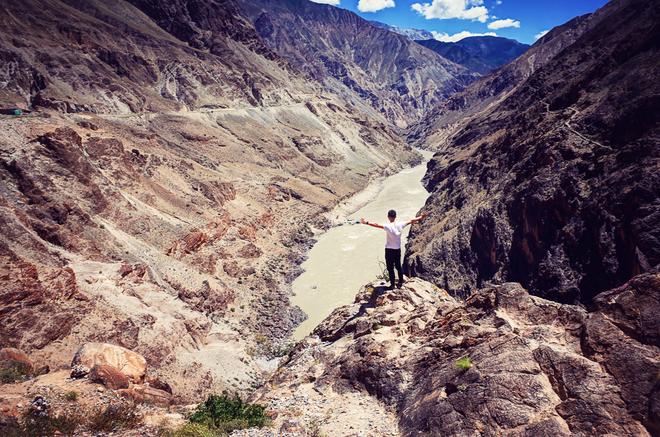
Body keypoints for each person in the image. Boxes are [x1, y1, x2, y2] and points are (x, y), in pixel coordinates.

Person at [360, 209, 427, 290]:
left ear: (388, 217)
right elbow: (411, 220)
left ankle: (392, 285)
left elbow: (376, 225)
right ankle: (400, 282)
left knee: (390, 268)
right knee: (398, 266)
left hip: (389, 250)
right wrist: (421, 217)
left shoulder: (387, 226)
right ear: (395, 217)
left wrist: (366, 222)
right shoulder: (401, 224)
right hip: (397, 250)